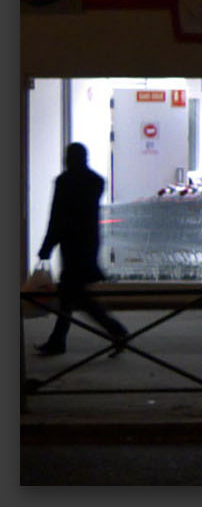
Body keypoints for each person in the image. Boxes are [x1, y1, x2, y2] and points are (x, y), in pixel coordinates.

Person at [34, 142, 130, 356]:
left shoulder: (65, 182)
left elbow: (56, 218)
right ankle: (58, 340)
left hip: (70, 246)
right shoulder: (95, 181)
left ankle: (117, 331)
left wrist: (47, 247)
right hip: (88, 245)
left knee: (76, 297)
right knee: (71, 296)